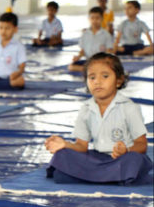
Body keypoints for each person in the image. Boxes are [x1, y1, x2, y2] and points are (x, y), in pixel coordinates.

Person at [46, 53, 152, 185]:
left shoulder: (129, 107)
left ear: (119, 81)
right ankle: (111, 177)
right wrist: (64, 144)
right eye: (92, 77)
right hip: (96, 158)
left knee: (134, 160)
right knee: (62, 155)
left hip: (122, 158)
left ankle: (94, 176)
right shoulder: (86, 109)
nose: (97, 81)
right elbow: (81, 146)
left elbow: (142, 145)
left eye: (105, 76)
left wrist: (127, 150)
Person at [68, 7, 113, 72]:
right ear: (89, 19)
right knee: (71, 67)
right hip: (89, 61)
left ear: (102, 19)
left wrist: (107, 61)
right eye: (92, 18)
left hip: (101, 62)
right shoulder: (85, 34)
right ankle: (91, 70)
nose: (94, 20)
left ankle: (92, 70)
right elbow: (82, 50)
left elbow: (109, 51)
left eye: (97, 18)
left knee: (107, 67)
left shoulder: (106, 34)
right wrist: (78, 57)